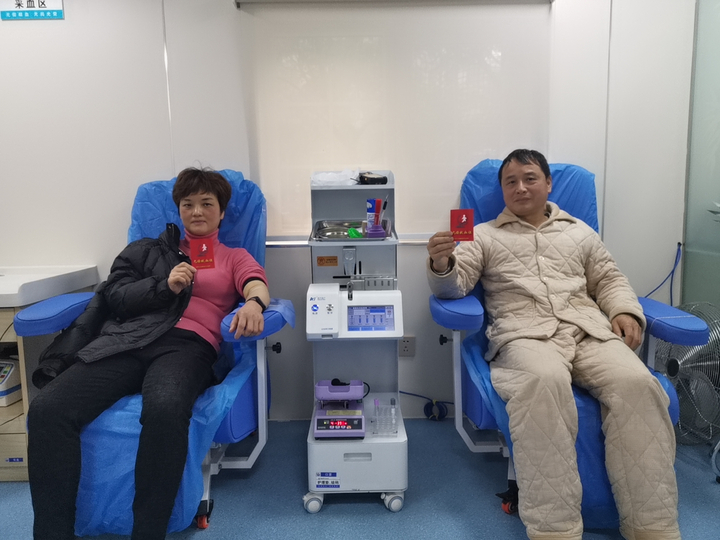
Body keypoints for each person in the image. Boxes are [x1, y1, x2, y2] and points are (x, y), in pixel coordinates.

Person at [426, 149, 679, 540]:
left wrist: (625, 311)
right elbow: (454, 286)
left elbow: (609, 279)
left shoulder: (580, 232)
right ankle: (555, 530)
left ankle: (653, 527)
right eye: (510, 182)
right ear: (502, 191)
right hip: (524, 335)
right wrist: (441, 265)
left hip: (589, 330)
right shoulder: (483, 235)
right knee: (543, 384)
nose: (520, 187)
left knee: (638, 385)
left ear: (548, 183)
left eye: (529, 178)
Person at [27, 167, 271, 540]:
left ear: (222, 212)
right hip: (128, 339)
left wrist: (254, 303)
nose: (197, 211)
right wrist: (164, 285)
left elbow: (256, 283)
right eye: (188, 204)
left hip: (187, 346)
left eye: (207, 203)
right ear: (179, 210)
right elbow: (115, 296)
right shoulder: (148, 251)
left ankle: (148, 532)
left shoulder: (233, 257)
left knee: (165, 408)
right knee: (48, 409)